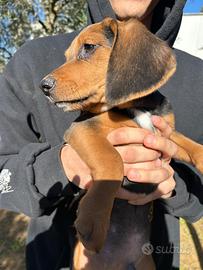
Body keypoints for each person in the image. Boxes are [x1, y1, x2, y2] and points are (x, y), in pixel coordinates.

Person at [0, 0, 202, 269]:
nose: (52, 78)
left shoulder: (195, 80)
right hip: (78, 255)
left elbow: (186, 170)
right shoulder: (30, 60)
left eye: (88, 50)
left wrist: (174, 186)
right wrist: (66, 166)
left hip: (146, 250)